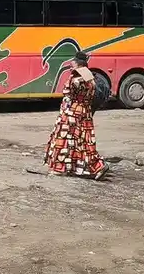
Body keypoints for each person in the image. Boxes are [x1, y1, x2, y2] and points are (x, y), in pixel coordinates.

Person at [44, 52, 110, 180]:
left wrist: (76, 81)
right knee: (83, 142)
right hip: (84, 114)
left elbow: (73, 90)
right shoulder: (91, 79)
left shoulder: (77, 78)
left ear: (78, 64)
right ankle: (97, 166)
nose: (70, 65)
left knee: (62, 140)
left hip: (71, 114)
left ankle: (60, 168)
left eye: (72, 62)